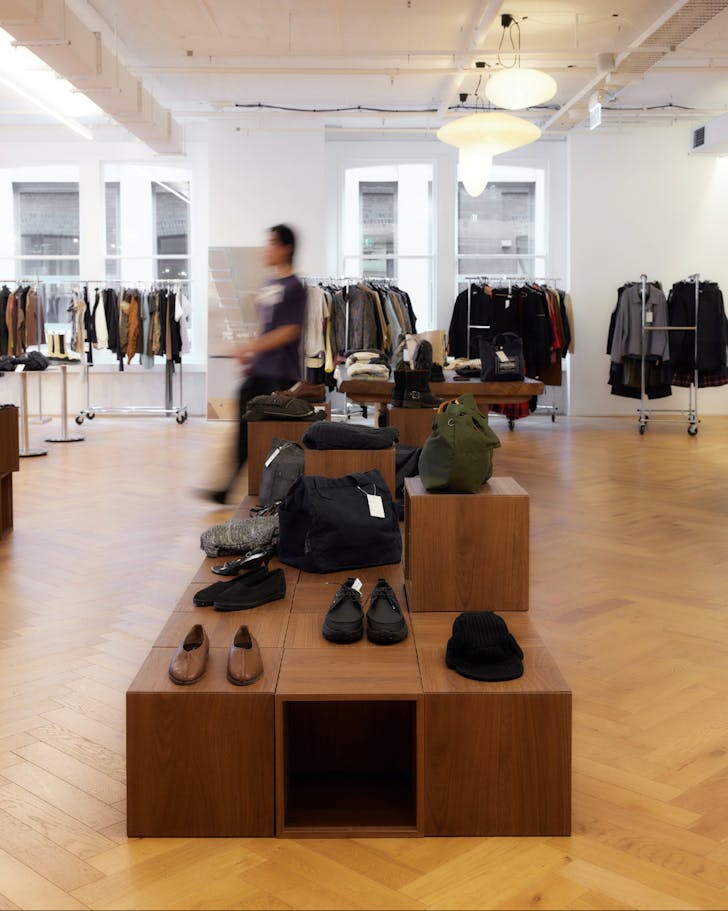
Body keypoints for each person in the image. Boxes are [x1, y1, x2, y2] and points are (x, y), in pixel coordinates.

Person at [210, 224, 306, 504]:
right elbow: (267, 327)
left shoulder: (295, 287)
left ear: (286, 248)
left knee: (271, 433)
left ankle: (272, 490)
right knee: (246, 426)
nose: (267, 248)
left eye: (272, 243)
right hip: (262, 368)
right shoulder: (269, 285)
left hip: (281, 373)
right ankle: (231, 486)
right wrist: (251, 354)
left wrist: (250, 347)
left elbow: (289, 330)